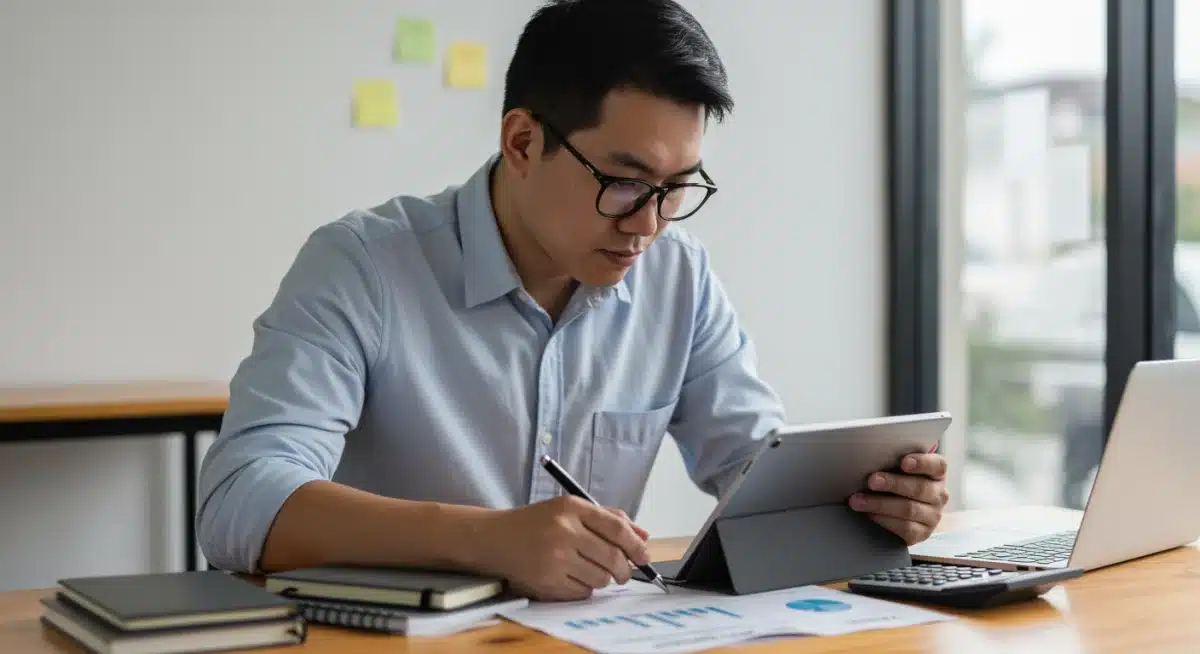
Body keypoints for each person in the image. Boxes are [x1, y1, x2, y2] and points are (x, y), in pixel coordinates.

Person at [196, 0, 950, 602]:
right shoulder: (362, 265)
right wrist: (486, 537)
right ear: (523, 143)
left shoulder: (677, 276)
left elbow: (756, 468)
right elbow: (240, 501)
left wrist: (867, 504)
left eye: (676, 187)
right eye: (624, 182)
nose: (649, 225)